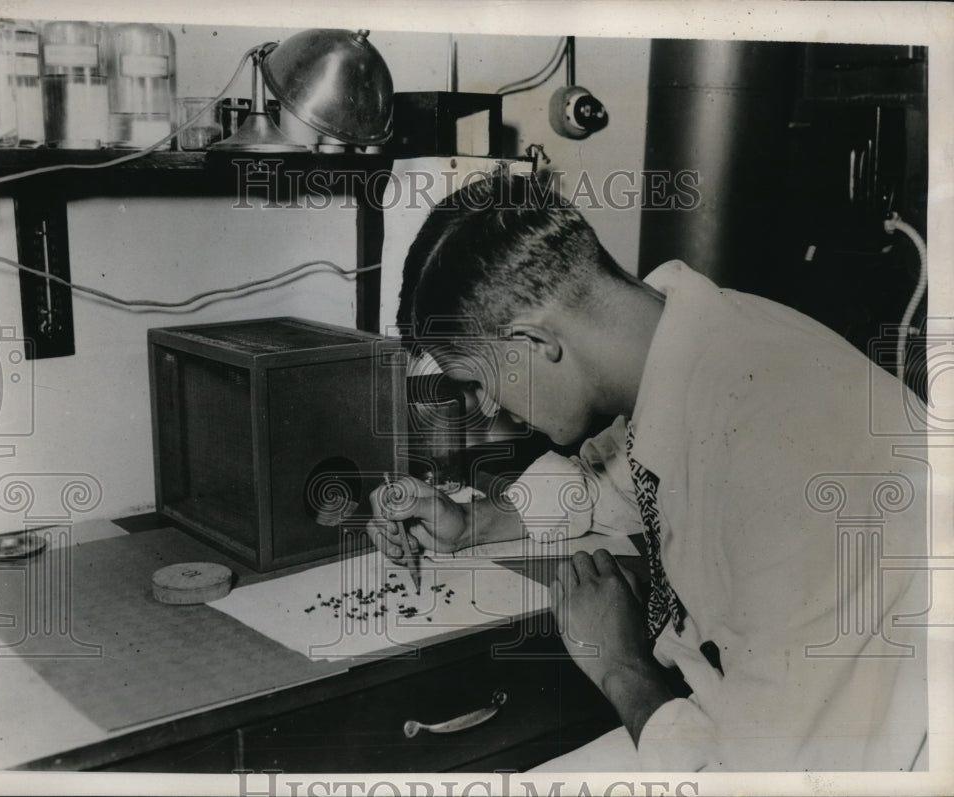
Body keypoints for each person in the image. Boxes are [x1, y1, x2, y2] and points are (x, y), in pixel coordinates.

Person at [367, 173, 928, 771]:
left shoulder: (786, 461)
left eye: (478, 381)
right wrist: (476, 521)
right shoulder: (696, 340)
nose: (489, 408)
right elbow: (623, 476)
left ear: (531, 341)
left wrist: (621, 665)